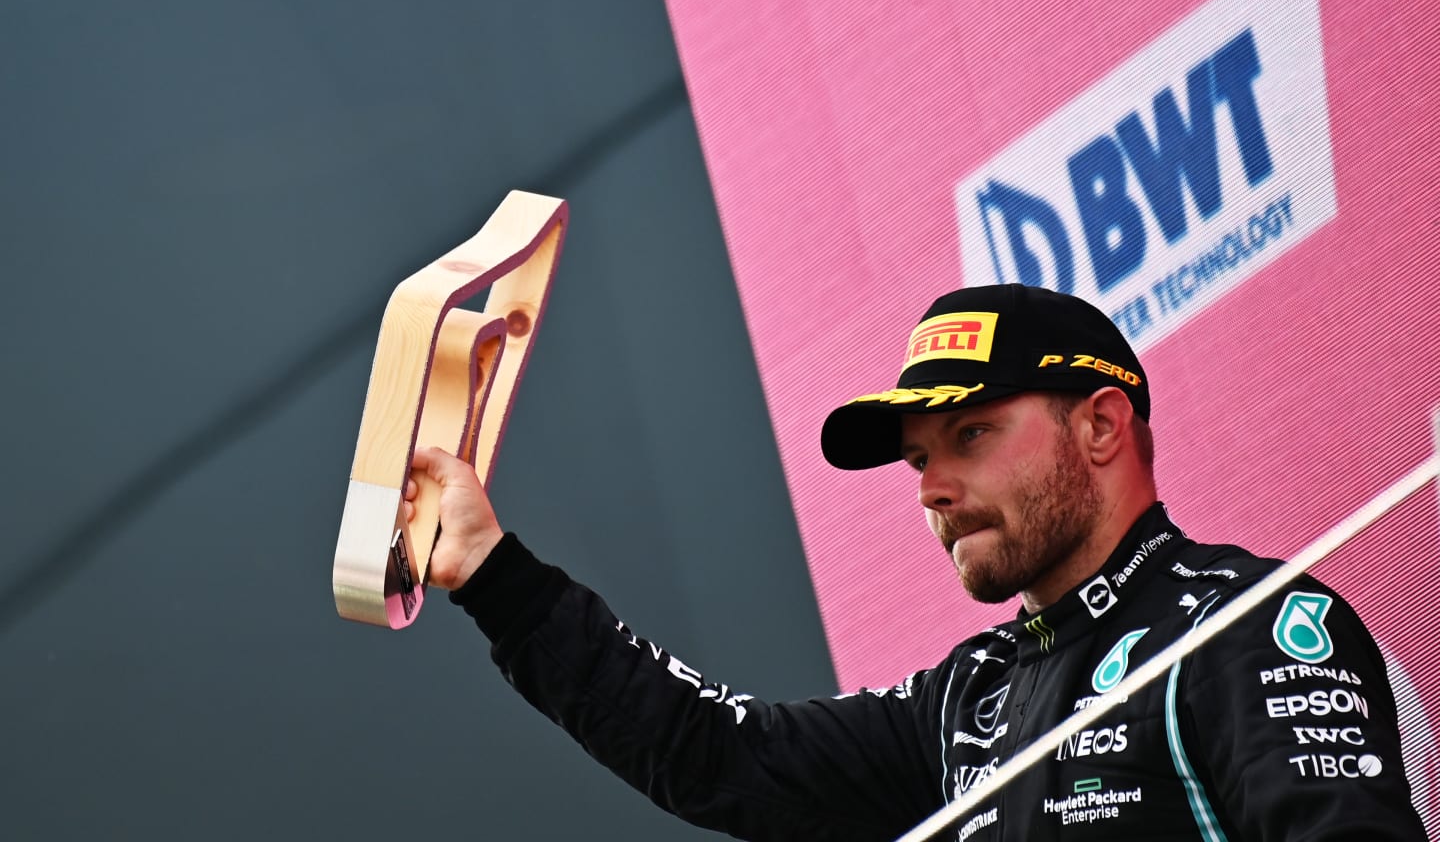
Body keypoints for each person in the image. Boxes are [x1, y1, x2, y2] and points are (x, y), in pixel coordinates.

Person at [408, 283, 1426, 840]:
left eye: (971, 436)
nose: (931, 488)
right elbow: (718, 756)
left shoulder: (1240, 626)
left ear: (1103, 427)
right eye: (918, 460)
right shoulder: (969, 702)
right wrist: (495, 576)